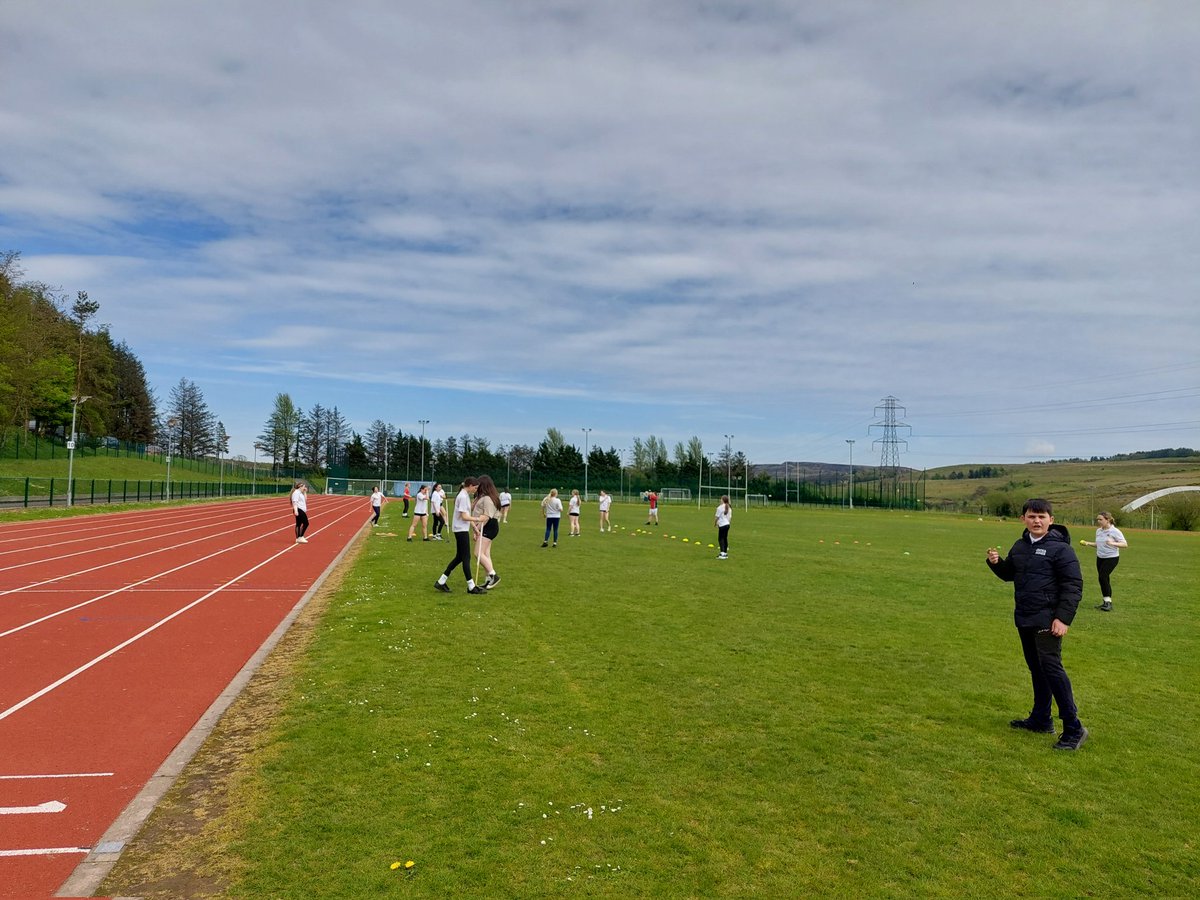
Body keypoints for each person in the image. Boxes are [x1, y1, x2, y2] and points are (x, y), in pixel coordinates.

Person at [986, 498, 1088, 751]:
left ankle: (1074, 727)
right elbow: (1011, 574)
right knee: (1037, 669)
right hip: (1025, 617)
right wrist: (997, 564)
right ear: (1024, 519)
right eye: (1032, 516)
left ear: (1051, 520)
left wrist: (1063, 618)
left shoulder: (1061, 549)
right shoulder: (1020, 546)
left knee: (1052, 669)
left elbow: (1073, 586)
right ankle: (1042, 719)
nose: (1037, 521)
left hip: (1048, 619)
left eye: (1042, 516)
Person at [435, 477, 485, 594]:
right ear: (470, 485)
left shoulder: (464, 495)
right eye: (475, 488)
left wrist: (474, 528)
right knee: (466, 558)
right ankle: (471, 586)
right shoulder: (463, 497)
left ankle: (441, 581)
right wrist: (479, 519)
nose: (476, 490)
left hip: (461, 529)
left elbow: (466, 515)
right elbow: (464, 517)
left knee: (459, 557)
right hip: (460, 530)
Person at [1079, 511, 1128, 612]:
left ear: (1108, 520)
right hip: (1100, 558)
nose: (1098, 521)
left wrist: (1113, 543)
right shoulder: (1098, 531)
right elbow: (1099, 544)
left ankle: (1108, 603)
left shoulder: (1115, 531)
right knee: (1102, 579)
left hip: (1111, 558)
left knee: (1103, 577)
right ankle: (1106, 602)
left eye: (1100, 519)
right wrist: (1088, 543)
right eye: (1098, 519)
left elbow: (1124, 544)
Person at [470, 475, 502, 589]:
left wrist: (477, 529)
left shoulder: (488, 498)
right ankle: (489, 578)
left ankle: (493, 575)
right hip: (485, 525)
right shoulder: (482, 497)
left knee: (478, 553)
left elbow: (486, 516)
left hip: (488, 526)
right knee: (485, 553)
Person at [714, 494, 732, 559]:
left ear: (723, 500)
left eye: (721, 499)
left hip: (722, 525)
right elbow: (729, 518)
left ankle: (722, 554)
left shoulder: (720, 507)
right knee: (725, 538)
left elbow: (717, 517)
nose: (720, 500)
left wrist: (715, 523)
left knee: (720, 539)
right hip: (727, 524)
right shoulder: (729, 507)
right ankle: (725, 553)